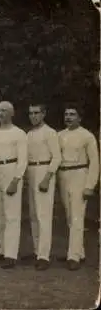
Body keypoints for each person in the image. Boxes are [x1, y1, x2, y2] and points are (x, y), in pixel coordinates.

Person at [57, 103, 99, 271]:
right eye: (66, 114)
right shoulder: (59, 135)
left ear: (79, 117)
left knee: (77, 215)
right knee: (69, 215)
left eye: (72, 114)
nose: (68, 117)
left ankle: (73, 256)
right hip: (63, 175)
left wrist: (90, 185)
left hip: (79, 174)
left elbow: (95, 162)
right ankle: (79, 252)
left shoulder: (87, 136)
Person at [0, 101, 27, 269]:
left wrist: (16, 179)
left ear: (12, 113)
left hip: (11, 169)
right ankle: (2, 248)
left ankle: (11, 254)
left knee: (12, 214)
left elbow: (23, 160)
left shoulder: (19, 133)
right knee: (0, 214)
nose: (1, 113)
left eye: (5, 111)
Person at [25, 103, 61, 271]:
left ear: (44, 113)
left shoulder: (50, 132)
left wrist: (47, 178)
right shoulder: (29, 134)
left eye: (37, 113)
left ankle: (44, 255)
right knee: (33, 214)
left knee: (43, 214)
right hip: (31, 171)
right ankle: (36, 250)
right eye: (31, 113)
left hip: (44, 170)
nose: (33, 116)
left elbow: (57, 158)